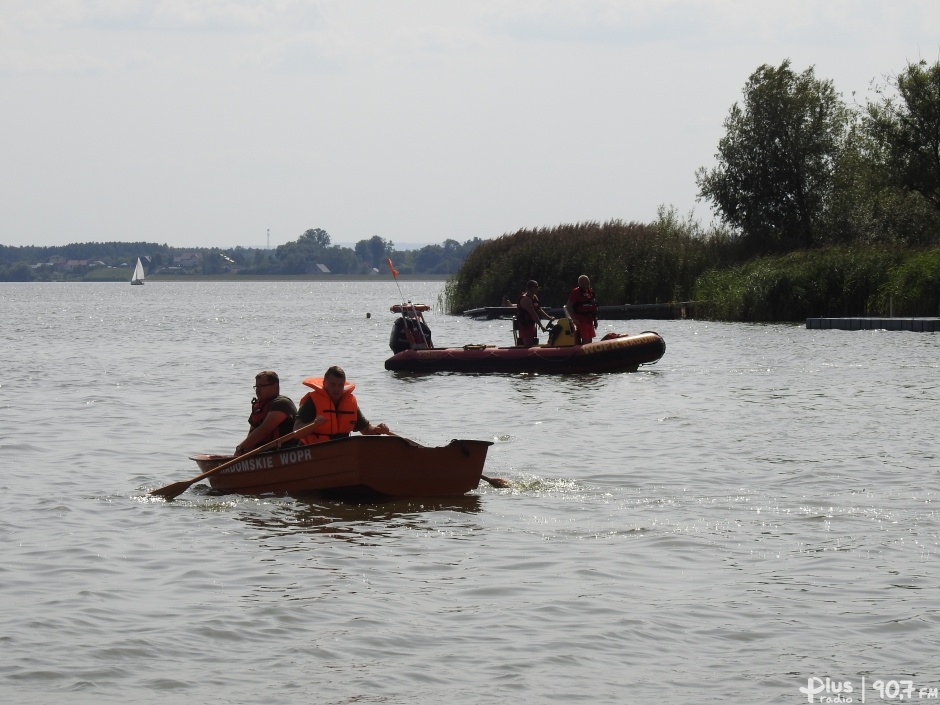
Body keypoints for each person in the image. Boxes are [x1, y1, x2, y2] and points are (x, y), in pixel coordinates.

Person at [293, 366, 391, 444]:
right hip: (313, 451)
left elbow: (365, 429)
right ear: (324, 383)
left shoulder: (350, 403)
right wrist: (314, 424)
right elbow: (296, 432)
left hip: (340, 451)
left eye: (340, 385)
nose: (337, 389)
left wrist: (378, 429)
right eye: (332, 384)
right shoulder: (312, 402)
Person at [235, 370, 298, 455]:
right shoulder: (259, 407)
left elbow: (264, 430)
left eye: (261, 386)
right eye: (256, 387)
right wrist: (241, 453)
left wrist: (240, 448)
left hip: (284, 452)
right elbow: (251, 436)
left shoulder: (282, 403)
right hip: (263, 454)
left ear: (274, 386)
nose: (258, 390)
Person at [515, 279, 552, 346]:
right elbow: (533, 313)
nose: (538, 288)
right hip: (525, 325)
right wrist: (541, 325)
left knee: (532, 343)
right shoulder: (526, 299)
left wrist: (549, 318)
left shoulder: (534, 297)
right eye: (536, 286)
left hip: (532, 324)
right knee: (528, 344)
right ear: (531, 287)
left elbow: (539, 310)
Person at [564, 274, 599, 344]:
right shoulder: (576, 292)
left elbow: (593, 307)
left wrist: (595, 320)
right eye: (585, 282)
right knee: (586, 339)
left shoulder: (590, 292)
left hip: (589, 320)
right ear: (580, 283)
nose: (588, 283)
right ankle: (582, 352)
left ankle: (589, 353)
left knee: (590, 339)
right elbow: (569, 306)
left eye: (588, 281)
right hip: (581, 320)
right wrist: (574, 319)